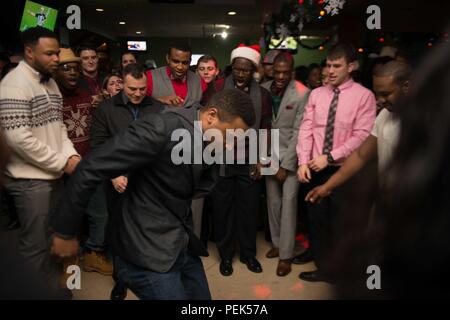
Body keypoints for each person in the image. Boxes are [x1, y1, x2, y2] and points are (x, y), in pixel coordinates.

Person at [50, 89, 256, 300]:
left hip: (178, 242)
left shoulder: (206, 137)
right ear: (211, 116)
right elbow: (90, 167)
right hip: (144, 249)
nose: (231, 145)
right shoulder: (160, 129)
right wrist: (65, 231)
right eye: (230, 136)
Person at [0, 27, 80, 291]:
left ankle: (49, 290)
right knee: (34, 248)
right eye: (50, 54)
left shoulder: (50, 81)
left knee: (51, 242)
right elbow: (17, 139)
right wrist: (61, 162)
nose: (56, 58)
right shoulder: (14, 84)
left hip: (51, 177)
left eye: (57, 52)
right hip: (30, 181)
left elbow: (58, 127)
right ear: (29, 52)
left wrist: (72, 155)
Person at [295, 43, 377, 283]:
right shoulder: (317, 94)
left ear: (351, 66)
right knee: (317, 221)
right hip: (314, 168)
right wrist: (302, 161)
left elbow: (362, 136)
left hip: (345, 170)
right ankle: (324, 268)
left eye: (336, 66)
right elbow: (306, 128)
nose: (330, 71)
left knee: (342, 223)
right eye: (328, 65)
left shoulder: (364, 96)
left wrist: (329, 157)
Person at [91, 63, 164, 300]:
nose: (137, 93)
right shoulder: (106, 109)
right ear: (122, 83)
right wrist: (113, 174)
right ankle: (121, 280)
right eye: (132, 88)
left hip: (150, 183)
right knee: (120, 234)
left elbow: (164, 145)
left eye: (142, 88)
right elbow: (98, 145)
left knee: (148, 232)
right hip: (118, 181)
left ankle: (150, 276)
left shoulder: (158, 108)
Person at [202, 44, 272, 277]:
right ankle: (225, 256)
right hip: (221, 158)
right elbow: (206, 117)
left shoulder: (262, 94)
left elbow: (265, 128)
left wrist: (263, 161)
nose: (241, 74)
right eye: (237, 69)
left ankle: (249, 255)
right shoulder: (217, 87)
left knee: (249, 209)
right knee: (222, 209)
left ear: (253, 70)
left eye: (246, 70)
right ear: (232, 68)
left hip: (249, 160)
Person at [305, 61, 412, 204]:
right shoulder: (384, 116)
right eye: (377, 94)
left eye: (386, 94)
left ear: (406, 87)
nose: (380, 100)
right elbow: (361, 155)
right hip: (388, 200)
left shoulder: (428, 118)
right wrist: (327, 186)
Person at [261, 52, 310, 276]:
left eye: (285, 72)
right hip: (269, 155)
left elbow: (300, 132)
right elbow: (262, 126)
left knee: (289, 204)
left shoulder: (302, 93)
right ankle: (278, 243)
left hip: (291, 156)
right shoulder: (264, 87)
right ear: (272, 69)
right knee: (273, 202)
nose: (280, 76)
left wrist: (286, 165)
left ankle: (286, 255)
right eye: (277, 71)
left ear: (291, 71)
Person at [146, 42, 206, 107]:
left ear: (190, 62)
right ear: (168, 58)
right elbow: (140, 106)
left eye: (185, 63)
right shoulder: (150, 77)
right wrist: (159, 100)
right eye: (175, 61)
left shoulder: (199, 82)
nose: (180, 67)